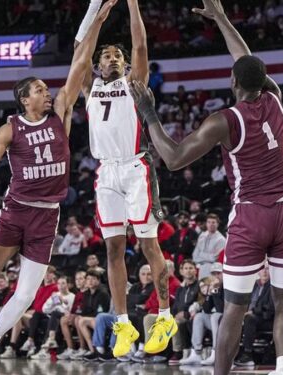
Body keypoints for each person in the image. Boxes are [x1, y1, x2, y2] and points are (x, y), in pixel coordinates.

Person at [0, 4, 117, 374]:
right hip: (16, 209)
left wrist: (97, 18)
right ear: (24, 99)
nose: (46, 93)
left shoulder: (60, 113)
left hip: (47, 215)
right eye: (38, 90)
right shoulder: (10, 128)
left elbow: (81, 62)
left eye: (45, 89)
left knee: (28, 293)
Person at [130, 1, 283, 373]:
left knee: (234, 308)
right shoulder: (275, 98)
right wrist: (222, 19)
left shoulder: (224, 120)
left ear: (232, 83)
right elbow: (247, 60)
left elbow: (175, 158)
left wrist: (149, 114)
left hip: (252, 214)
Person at [81, 0, 175, 358]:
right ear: (98, 64)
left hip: (137, 168)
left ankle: (165, 317)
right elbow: (81, 51)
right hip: (106, 171)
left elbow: (140, 46)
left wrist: (133, 4)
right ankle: (123, 322)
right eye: (105, 56)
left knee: (149, 244)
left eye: (116, 56)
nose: (112, 59)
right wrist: (97, 19)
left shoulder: (135, 83)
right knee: (112, 248)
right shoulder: (89, 88)